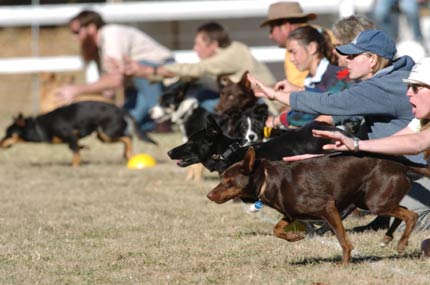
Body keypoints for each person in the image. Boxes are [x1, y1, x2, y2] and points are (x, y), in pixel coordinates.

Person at [248, 29, 430, 232]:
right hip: (401, 169)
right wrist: (326, 158)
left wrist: (274, 94)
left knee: (403, 219)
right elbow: (349, 111)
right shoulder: (391, 79)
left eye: (353, 55)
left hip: (415, 173)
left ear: (372, 59)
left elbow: (333, 103)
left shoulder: (384, 86)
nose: (345, 60)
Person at [296, 57, 430, 247]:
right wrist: (322, 160)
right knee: (400, 218)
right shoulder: (422, 120)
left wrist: (356, 144)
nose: (408, 93)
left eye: (415, 88)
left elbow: (417, 142)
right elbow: (392, 143)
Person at [57, 10, 174, 132]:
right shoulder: (100, 47)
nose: (74, 38)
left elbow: (115, 80)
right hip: (138, 86)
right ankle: (154, 121)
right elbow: (109, 90)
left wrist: (77, 90)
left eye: (76, 32)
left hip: (162, 75)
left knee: (141, 68)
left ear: (91, 28)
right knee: (124, 125)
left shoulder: (110, 34)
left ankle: (162, 121)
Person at [122, 21, 276, 113]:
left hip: (264, 106)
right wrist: (149, 73)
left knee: (198, 102)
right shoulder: (225, 57)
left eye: (198, 44)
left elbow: (196, 69)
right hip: (248, 103)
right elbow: (190, 75)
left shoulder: (233, 52)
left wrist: (152, 70)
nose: (195, 48)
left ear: (214, 44)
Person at [266, 25, 351, 129]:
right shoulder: (309, 80)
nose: (291, 59)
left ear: (312, 48)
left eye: (293, 52)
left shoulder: (340, 75)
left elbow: (322, 104)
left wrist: (279, 119)